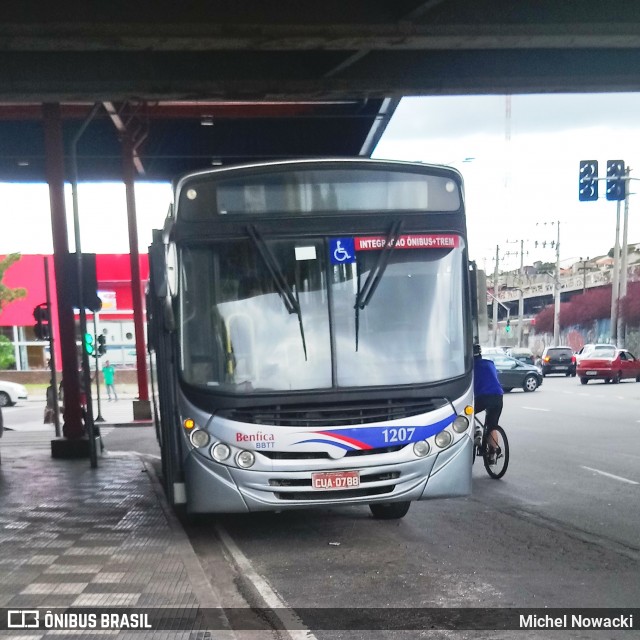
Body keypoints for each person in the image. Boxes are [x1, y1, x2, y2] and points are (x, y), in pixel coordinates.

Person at [473, 344, 504, 464]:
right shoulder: (490, 363)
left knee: (466, 414)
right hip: (498, 396)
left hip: (481, 397)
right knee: (492, 426)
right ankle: (492, 454)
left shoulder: (469, 367)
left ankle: (476, 432)